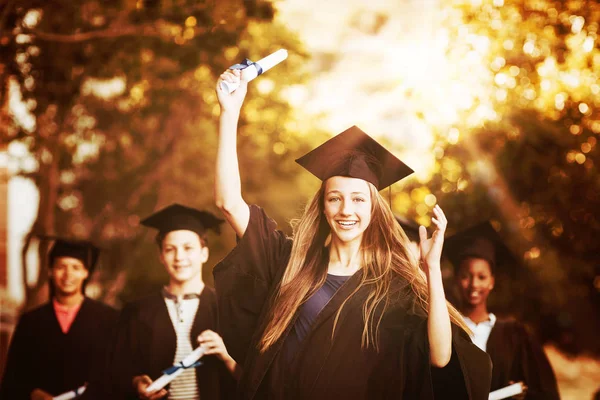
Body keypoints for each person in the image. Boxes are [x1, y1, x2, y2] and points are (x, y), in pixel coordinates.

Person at [212, 69, 492, 399]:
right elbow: (228, 203)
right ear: (322, 206)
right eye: (335, 198)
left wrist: (431, 270)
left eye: (358, 199)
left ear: (374, 209)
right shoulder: (288, 262)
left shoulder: (394, 284)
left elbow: (440, 357)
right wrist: (229, 113)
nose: (347, 210)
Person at [108, 203, 238, 400]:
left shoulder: (227, 308)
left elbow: (255, 379)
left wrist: (226, 354)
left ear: (204, 253)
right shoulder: (137, 312)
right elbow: (118, 373)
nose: (179, 257)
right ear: (161, 255)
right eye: (170, 249)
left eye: (188, 248)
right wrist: (137, 383)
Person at [445, 221, 560, 400]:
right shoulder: (446, 330)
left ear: (492, 281)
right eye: (465, 276)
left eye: (482, 277)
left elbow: (545, 392)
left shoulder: (516, 335)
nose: (474, 284)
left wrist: (521, 395)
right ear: (457, 280)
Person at [0, 236, 119, 400]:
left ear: (85, 273)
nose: (68, 274)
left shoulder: (108, 319)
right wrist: (33, 393)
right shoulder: (31, 322)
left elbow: (117, 376)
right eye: (61, 267)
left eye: (76, 267)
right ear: (50, 271)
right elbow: (13, 379)